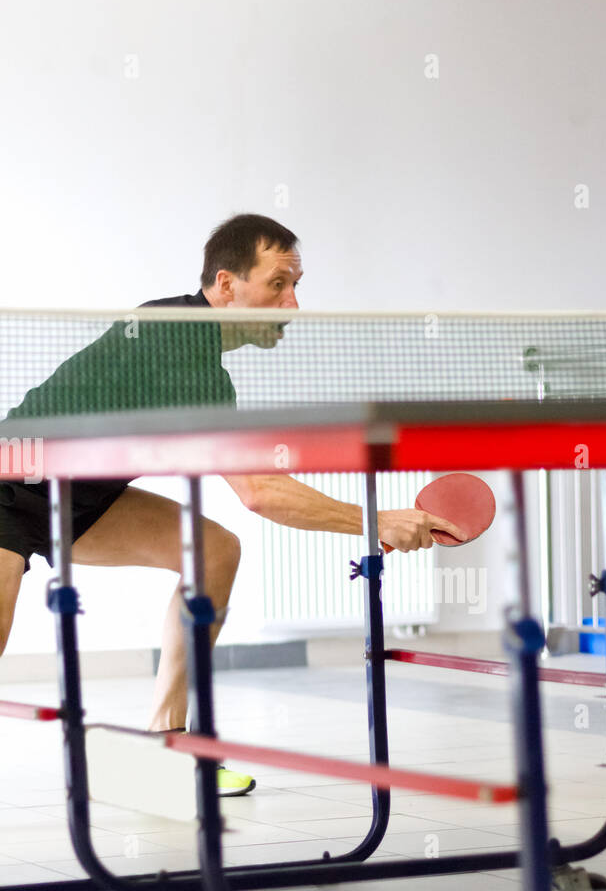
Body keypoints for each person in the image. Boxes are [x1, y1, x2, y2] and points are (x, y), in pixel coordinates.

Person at [0, 214, 464, 795]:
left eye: (297, 285)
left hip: (82, 500)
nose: (292, 304)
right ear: (225, 284)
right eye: (278, 283)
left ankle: (163, 747)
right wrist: (378, 522)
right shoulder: (174, 336)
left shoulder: (202, 362)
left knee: (213, 552)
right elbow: (260, 491)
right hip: (12, 486)